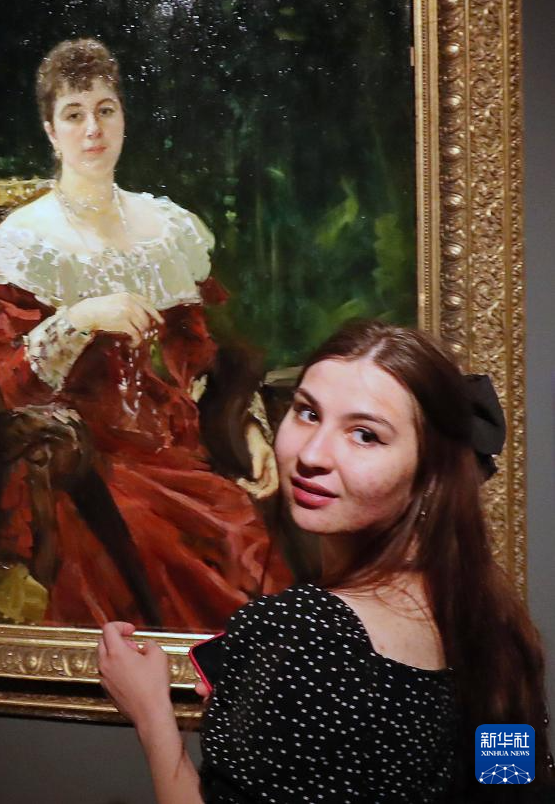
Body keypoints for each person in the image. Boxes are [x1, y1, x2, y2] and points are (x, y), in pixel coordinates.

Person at [98, 319, 553, 802]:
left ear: (430, 475)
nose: (312, 454)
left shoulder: (304, 631)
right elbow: (510, 785)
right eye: (307, 413)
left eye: (365, 435)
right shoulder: (494, 623)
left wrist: (152, 714)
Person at [0, 37, 289, 630]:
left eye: (105, 110)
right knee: (147, 542)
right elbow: (10, 389)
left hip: (175, 452)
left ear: (123, 118)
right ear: (51, 132)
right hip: (79, 467)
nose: (92, 130)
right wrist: (80, 318)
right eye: (74, 115)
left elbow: (202, 360)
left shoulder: (168, 229)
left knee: (243, 530)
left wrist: (251, 428)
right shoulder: (21, 243)